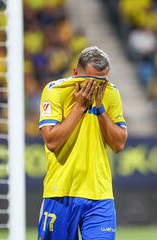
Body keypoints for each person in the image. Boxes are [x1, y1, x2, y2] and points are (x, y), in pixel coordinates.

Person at [37, 46, 128, 240]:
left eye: (102, 81)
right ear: (75, 73)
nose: (95, 87)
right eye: (91, 81)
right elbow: (52, 142)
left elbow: (119, 144)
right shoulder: (55, 91)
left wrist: (100, 108)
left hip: (99, 195)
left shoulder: (110, 93)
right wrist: (79, 107)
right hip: (60, 193)